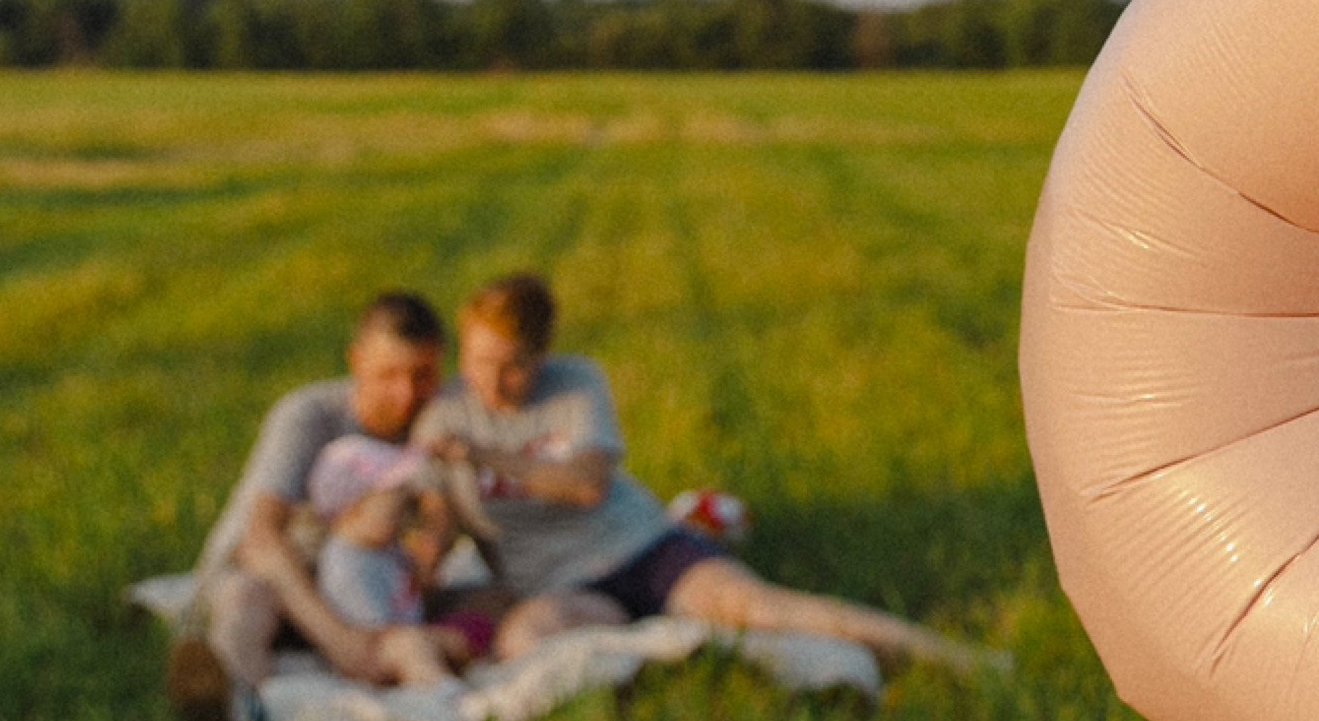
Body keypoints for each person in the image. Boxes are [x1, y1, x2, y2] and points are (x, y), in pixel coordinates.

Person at [417, 274, 981, 671]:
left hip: (645, 548)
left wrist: (484, 455)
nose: (492, 383)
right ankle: (654, 642)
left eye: (512, 366)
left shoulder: (575, 381)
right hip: (561, 585)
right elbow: (438, 527)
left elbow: (587, 484)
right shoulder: (446, 414)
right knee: (524, 641)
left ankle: (959, 661)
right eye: (479, 363)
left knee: (762, 610)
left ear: (541, 355)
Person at [167, 290, 452, 721]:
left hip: (364, 588)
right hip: (274, 578)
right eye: (388, 375)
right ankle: (234, 713)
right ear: (356, 361)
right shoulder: (310, 417)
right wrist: (341, 642)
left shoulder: (438, 423)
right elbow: (260, 541)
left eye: (422, 375)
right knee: (246, 598)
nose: (406, 395)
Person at [304, 434, 492, 688]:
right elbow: (377, 642)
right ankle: (440, 691)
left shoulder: (384, 547)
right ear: (351, 510)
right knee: (413, 645)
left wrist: (424, 570)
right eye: (394, 507)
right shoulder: (348, 567)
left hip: (413, 631)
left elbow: (412, 593)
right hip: (382, 655)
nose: (404, 512)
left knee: (485, 608)